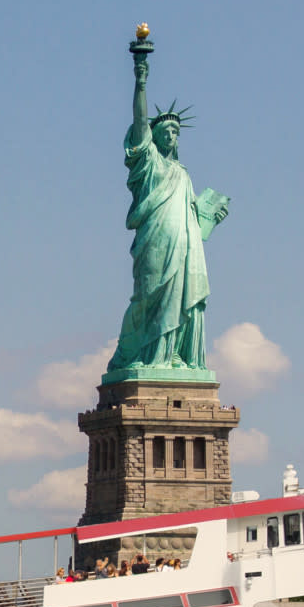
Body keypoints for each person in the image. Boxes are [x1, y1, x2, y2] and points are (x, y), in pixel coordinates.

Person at [107, 37, 229, 373]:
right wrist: (140, 79)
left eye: (176, 131)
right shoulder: (148, 164)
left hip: (185, 244)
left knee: (184, 295)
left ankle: (175, 355)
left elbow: (192, 221)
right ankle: (150, 354)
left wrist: (209, 218)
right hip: (156, 240)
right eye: (166, 130)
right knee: (151, 296)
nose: (172, 135)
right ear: (154, 135)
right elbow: (140, 118)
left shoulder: (183, 174)